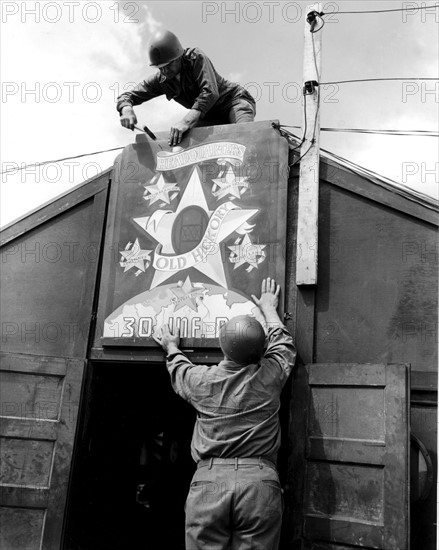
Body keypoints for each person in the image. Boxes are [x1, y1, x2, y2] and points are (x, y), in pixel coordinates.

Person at [154, 277, 296, 550]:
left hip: (210, 482)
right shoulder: (270, 375)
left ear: (223, 346)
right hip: (259, 484)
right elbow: (284, 346)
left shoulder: (200, 381)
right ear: (261, 351)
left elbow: (180, 369)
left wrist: (172, 347)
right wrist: (269, 309)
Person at [117, 29, 256, 147]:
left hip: (233, 102)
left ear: (179, 56)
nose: (164, 71)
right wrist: (126, 109)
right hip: (208, 116)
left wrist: (185, 122)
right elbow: (127, 96)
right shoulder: (161, 80)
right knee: (188, 146)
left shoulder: (195, 58)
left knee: (244, 138)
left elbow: (210, 92)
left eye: (168, 65)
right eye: (160, 68)